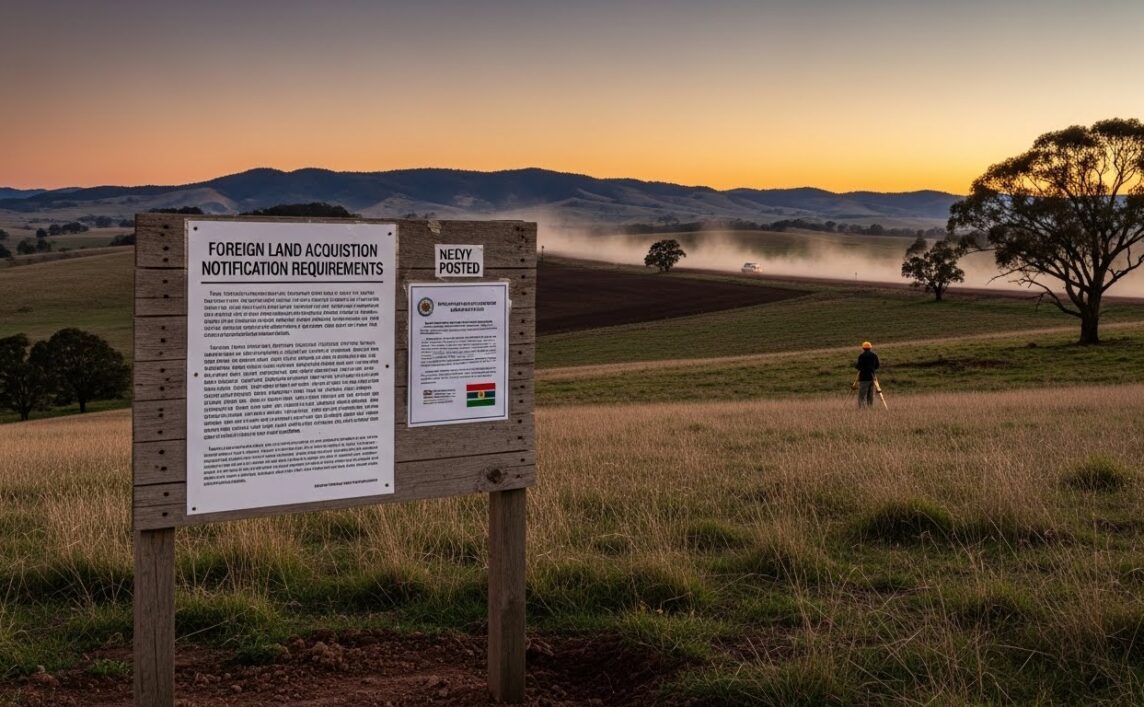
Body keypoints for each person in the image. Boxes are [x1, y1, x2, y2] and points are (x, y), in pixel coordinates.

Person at [854, 341, 880, 408]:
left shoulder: (861, 356)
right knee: (870, 395)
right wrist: (872, 369)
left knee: (862, 395)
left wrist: (855, 365)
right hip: (872, 377)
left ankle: (862, 409)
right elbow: (877, 366)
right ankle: (870, 407)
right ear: (870, 348)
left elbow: (859, 367)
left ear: (863, 348)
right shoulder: (874, 355)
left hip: (864, 378)